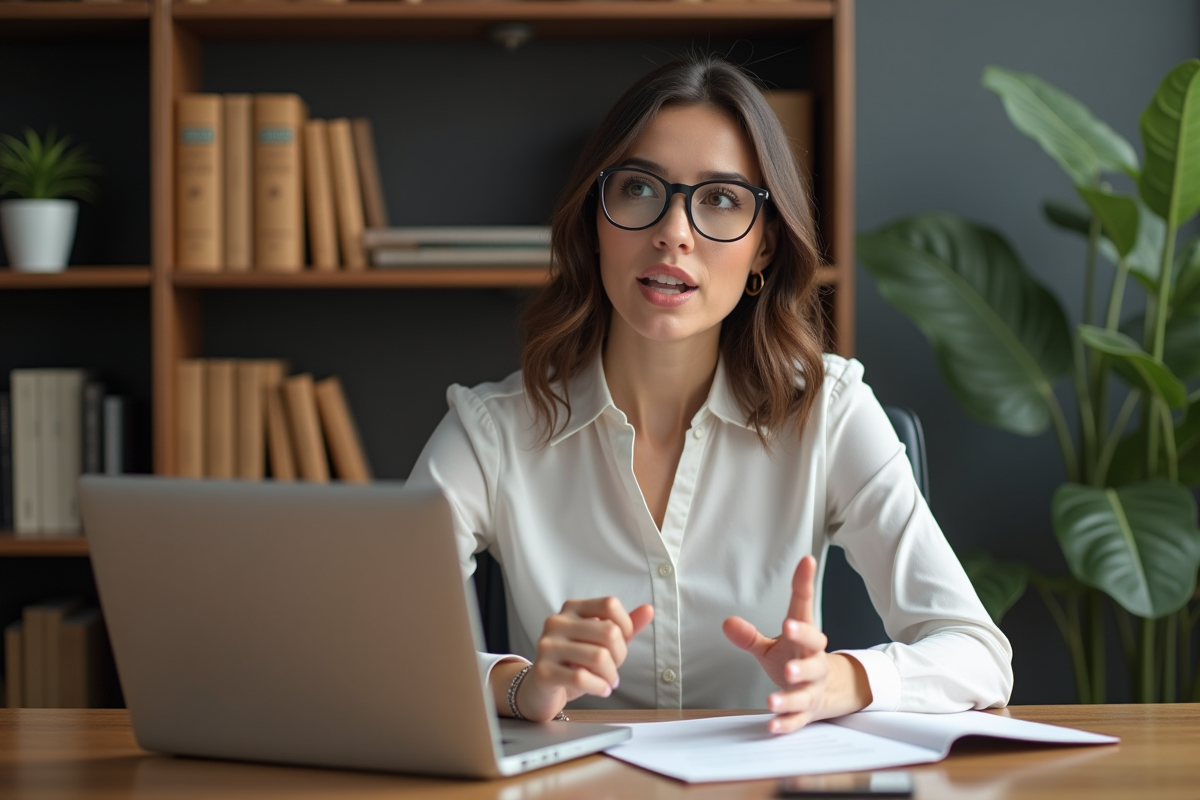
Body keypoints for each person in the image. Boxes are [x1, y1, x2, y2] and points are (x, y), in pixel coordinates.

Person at [408, 53, 1012, 734]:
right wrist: (521, 684)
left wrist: (836, 681)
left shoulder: (830, 412)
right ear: (594, 219)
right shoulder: (491, 431)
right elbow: (379, 646)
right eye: (639, 188)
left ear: (763, 247)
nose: (673, 232)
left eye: (721, 200)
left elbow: (977, 653)